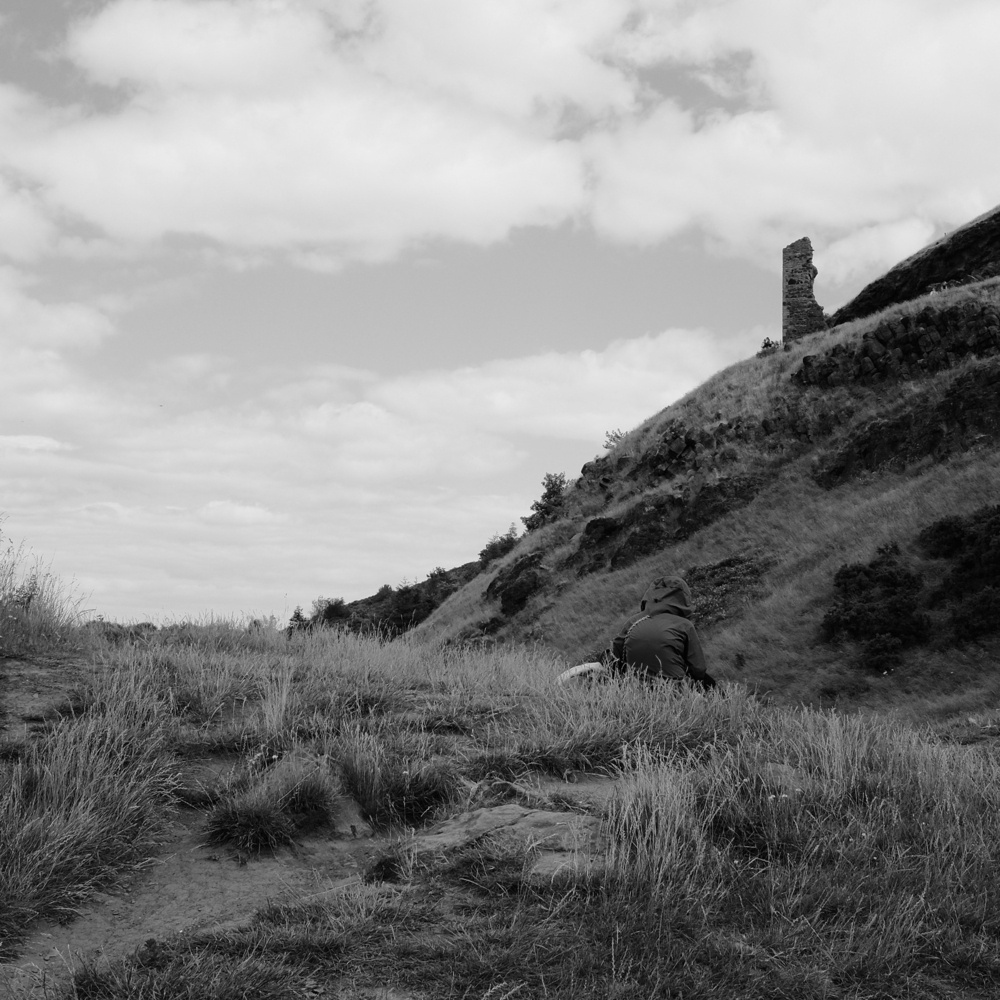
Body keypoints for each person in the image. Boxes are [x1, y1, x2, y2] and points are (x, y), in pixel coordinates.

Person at [603, 575, 716, 691]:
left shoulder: (633, 621)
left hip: (636, 689)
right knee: (711, 687)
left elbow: (614, 655)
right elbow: (698, 669)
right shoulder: (684, 625)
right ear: (683, 598)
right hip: (673, 690)